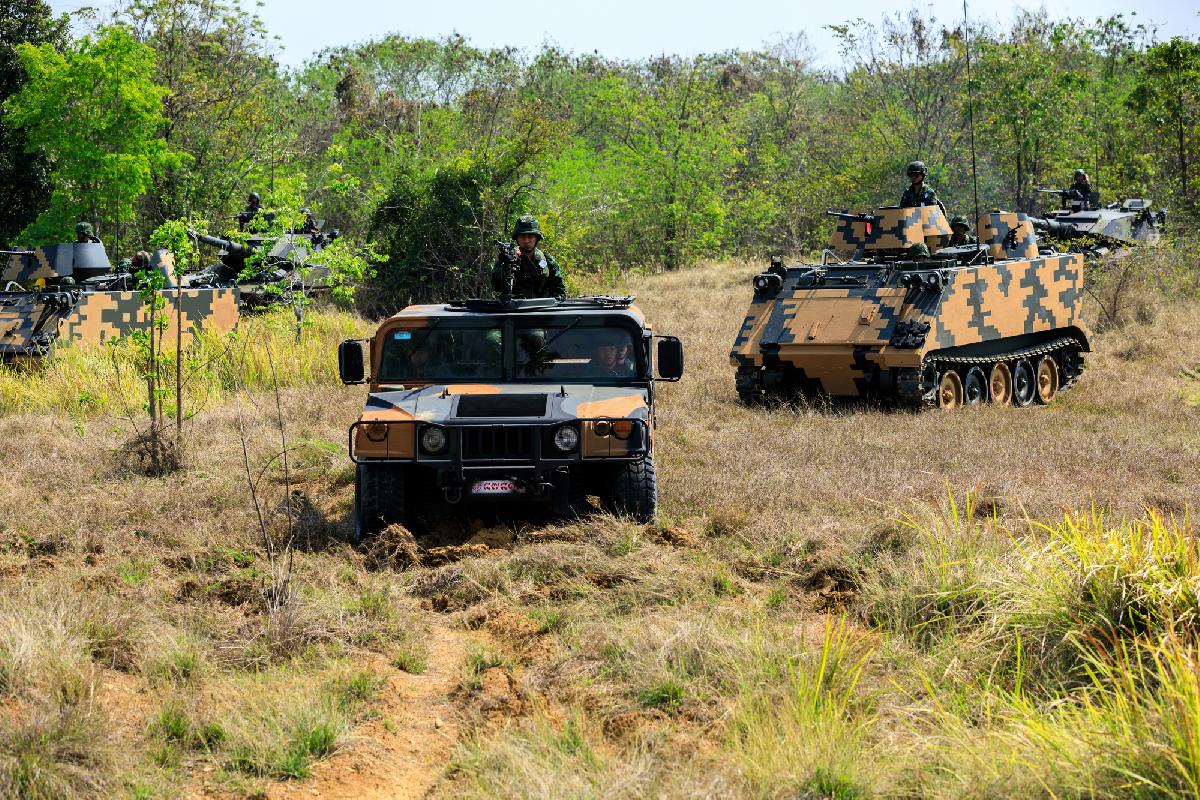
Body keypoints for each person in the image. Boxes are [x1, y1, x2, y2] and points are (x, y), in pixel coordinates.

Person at [490, 215, 566, 300]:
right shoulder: (508, 260)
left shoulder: (547, 261)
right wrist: (507, 266)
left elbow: (560, 292)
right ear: (517, 239)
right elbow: (495, 286)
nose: (526, 240)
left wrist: (550, 303)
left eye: (530, 236)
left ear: (537, 238)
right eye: (522, 237)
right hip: (515, 306)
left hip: (541, 307)